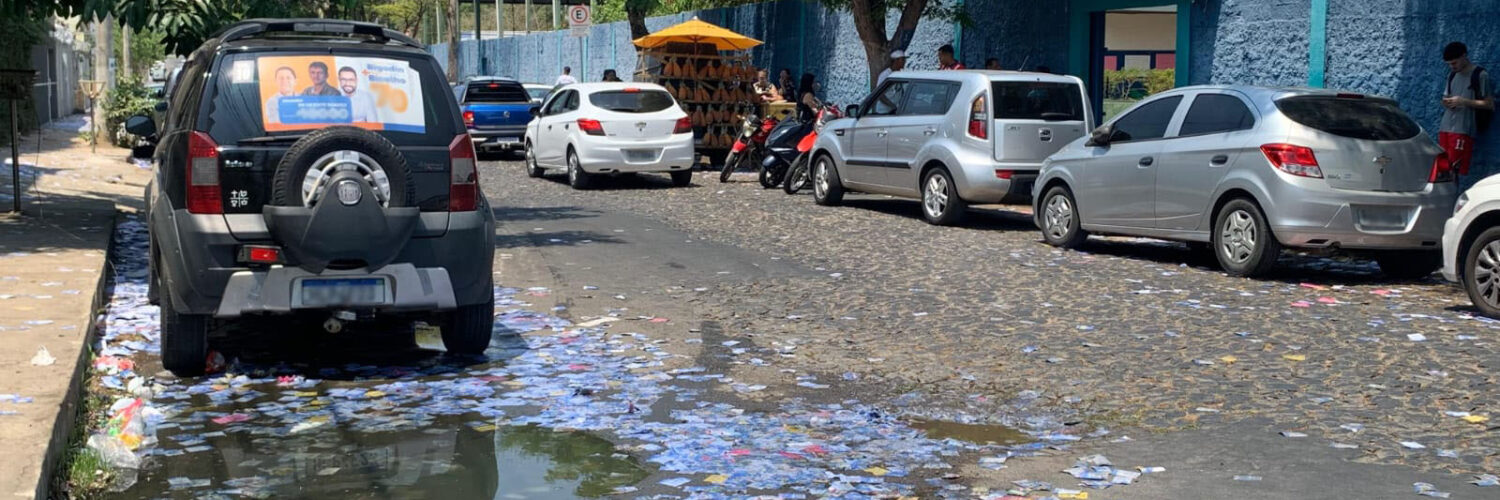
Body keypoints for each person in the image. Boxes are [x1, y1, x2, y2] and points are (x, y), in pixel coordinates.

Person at [1441, 41, 1493, 177]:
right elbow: (1445, 97)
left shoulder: (1480, 75)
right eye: (1449, 64)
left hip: (1463, 129)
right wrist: (1447, 102)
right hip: (1445, 128)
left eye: (1454, 63)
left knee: (1454, 169)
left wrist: (1464, 101)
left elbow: (1489, 104)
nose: (1452, 67)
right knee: (1443, 169)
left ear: (1464, 56)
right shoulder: (1452, 75)